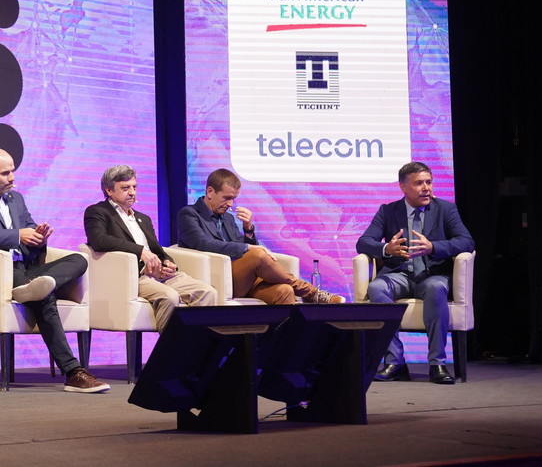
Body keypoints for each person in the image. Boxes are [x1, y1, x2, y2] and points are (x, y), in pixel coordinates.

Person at [0, 147, 109, 393]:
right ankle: (73, 372)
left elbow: (29, 230)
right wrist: (17, 235)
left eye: (13, 171)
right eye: (5, 173)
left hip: (28, 268)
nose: (12, 177)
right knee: (44, 296)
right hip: (0, 272)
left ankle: (35, 287)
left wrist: (39, 237)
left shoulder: (16, 199)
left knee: (79, 260)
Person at [357, 161, 474, 385]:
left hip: (432, 275)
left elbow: (466, 242)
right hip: (400, 275)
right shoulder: (388, 211)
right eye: (419, 183)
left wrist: (434, 247)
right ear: (403, 186)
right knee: (376, 287)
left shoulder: (446, 209)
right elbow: (363, 242)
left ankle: (437, 364)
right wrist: (386, 249)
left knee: (436, 287)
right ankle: (395, 362)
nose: (426, 188)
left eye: (429, 182)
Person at [174, 168, 342, 305]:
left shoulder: (228, 218)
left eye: (234, 199)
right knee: (258, 254)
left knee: (285, 291)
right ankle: (311, 292)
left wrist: (248, 229)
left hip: (243, 278)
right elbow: (203, 243)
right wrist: (248, 247)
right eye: (227, 198)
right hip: (216, 278)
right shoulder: (189, 214)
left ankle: (284, 337)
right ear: (210, 191)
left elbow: (240, 247)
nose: (230, 204)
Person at [84, 165, 217, 331]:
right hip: (132, 276)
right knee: (169, 296)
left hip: (159, 273)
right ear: (109, 190)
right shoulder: (97, 212)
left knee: (207, 292)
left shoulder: (143, 218)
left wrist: (167, 262)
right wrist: (140, 251)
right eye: (125, 188)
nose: (132, 192)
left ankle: (197, 345)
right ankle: (170, 347)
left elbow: (157, 250)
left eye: (134, 187)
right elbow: (99, 240)